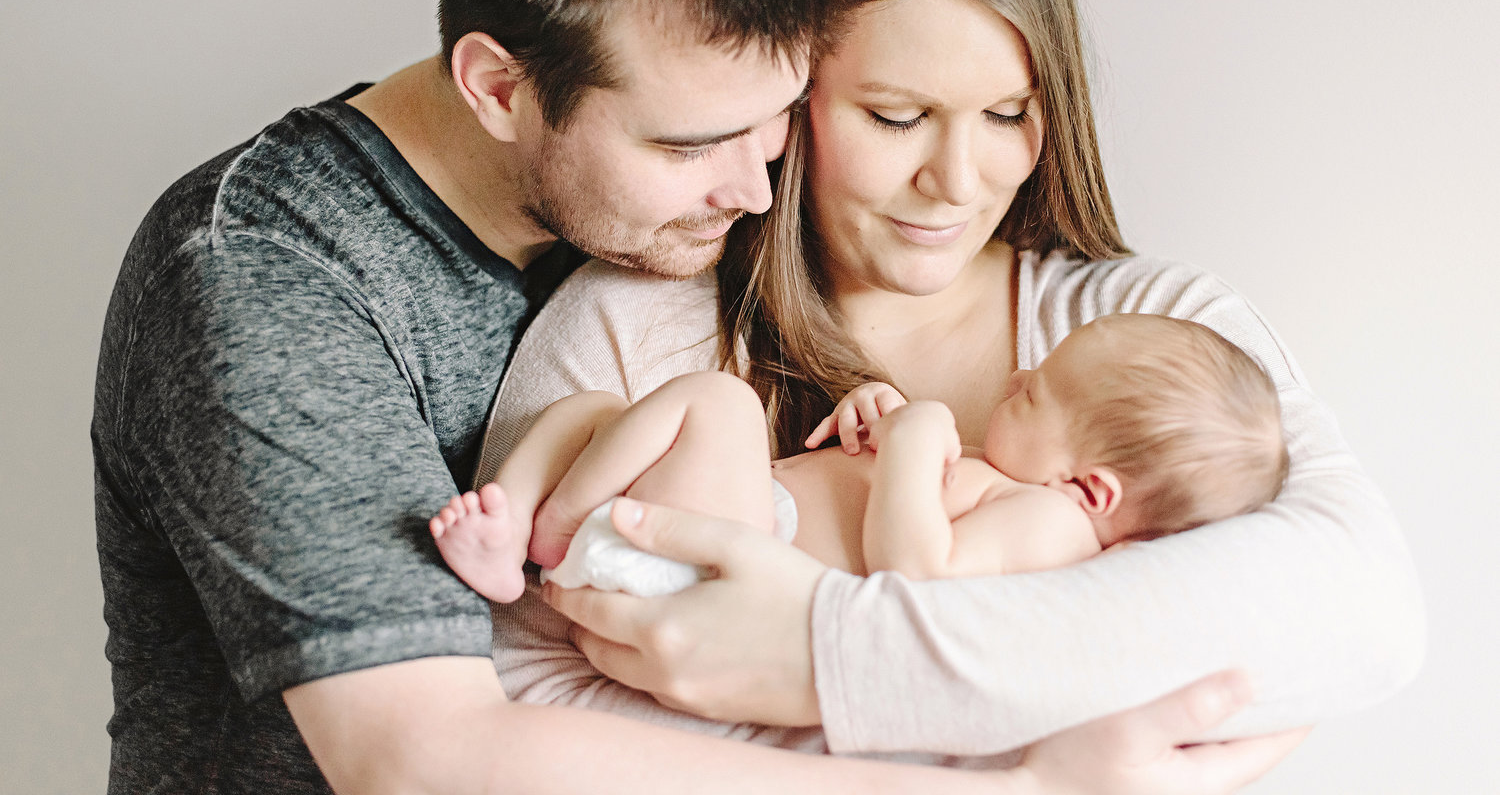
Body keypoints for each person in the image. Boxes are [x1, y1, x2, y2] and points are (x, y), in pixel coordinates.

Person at [89, 0, 1291, 793]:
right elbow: (426, 759)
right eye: (691, 145)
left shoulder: (648, 228)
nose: (756, 190)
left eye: (775, 126)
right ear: (500, 88)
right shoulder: (266, 275)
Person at [479, 0, 1424, 763]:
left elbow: (1360, 614)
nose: (960, 179)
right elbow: (513, 704)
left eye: (1009, 113)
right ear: (783, 96)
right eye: (896, 117)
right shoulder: (634, 325)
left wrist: (819, 651)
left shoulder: (1156, 330)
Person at [433, 313, 1288, 607]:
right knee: (596, 409)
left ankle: (556, 530)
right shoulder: (1013, 475)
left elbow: (917, 574)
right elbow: (887, 501)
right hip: (714, 528)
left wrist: (919, 442)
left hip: (722, 577)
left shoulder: (1054, 526)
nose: (1018, 376)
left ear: (1092, 487)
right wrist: (875, 427)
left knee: (719, 402)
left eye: (1037, 394)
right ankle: (508, 532)